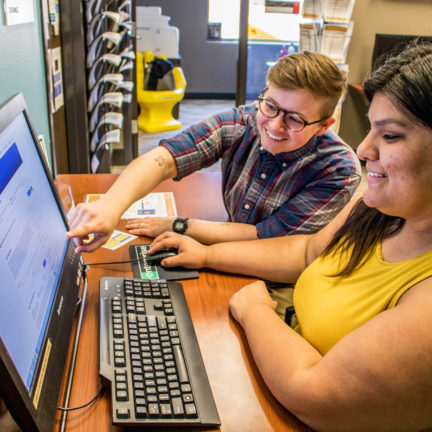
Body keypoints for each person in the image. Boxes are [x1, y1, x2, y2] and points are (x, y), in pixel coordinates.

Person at [144, 42, 432, 431]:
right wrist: (205, 255)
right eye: (371, 131)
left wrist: (255, 310)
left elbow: (313, 393)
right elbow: (307, 252)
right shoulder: (380, 207)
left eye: (391, 136)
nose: (363, 150)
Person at [68, 51, 360, 252]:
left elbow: (267, 237)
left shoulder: (338, 170)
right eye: (269, 106)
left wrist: (180, 226)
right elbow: (165, 159)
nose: (273, 124)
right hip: (229, 242)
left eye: (294, 118)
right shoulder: (243, 120)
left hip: (280, 269)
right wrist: (110, 206)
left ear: (324, 126)